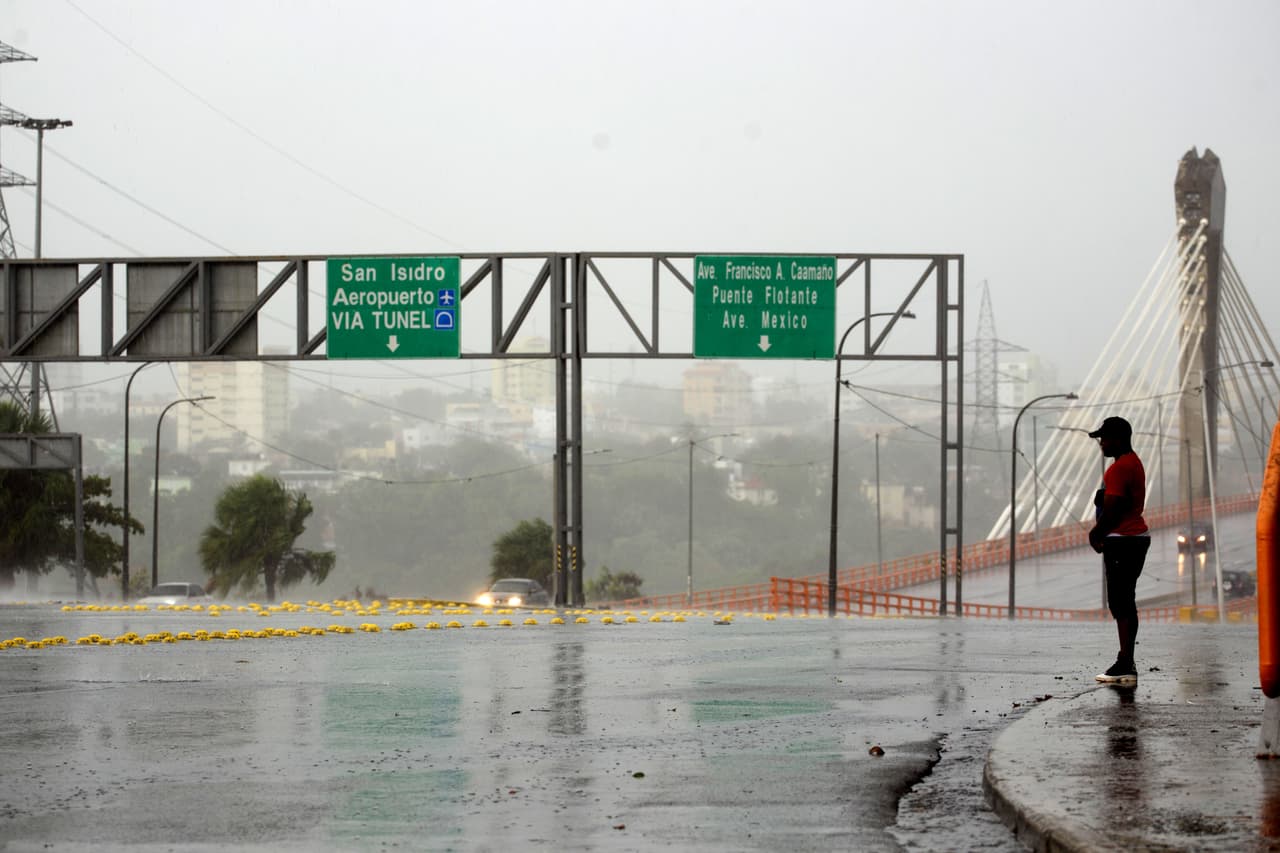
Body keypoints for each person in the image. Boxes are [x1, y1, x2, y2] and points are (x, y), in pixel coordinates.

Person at [1087, 416, 1151, 686]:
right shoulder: (1132, 462)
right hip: (1135, 538)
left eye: (1105, 438)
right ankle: (1126, 660)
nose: (1101, 443)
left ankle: (1125, 663)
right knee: (1125, 600)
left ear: (1119, 439)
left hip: (1123, 540)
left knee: (1120, 601)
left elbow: (1112, 509)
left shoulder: (1119, 469)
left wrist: (1096, 533)